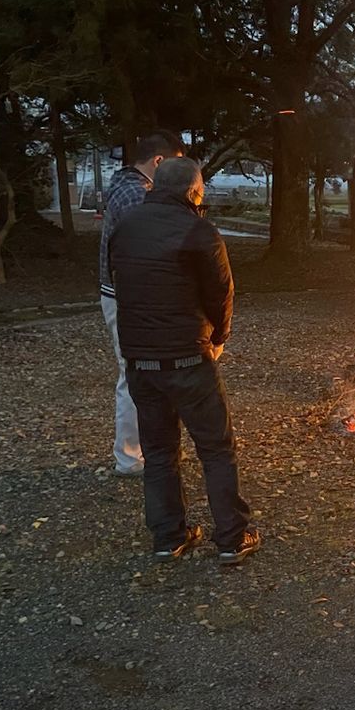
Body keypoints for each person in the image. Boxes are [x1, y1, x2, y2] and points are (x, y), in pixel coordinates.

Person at [108, 157, 261, 566]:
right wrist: (218, 337)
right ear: (195, 191)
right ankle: (231, 537)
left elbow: (120, 281)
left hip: (141, 360)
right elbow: (220, 294)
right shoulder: (199, 231)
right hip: (188, 359)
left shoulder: (124, 226)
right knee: (215, 448)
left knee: (159, 451)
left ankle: (168, 537)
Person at [99, 130, 184, 476]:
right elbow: (151, 252)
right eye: (175, 167)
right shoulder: (138, 196)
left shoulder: (125, 185)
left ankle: (140, 453)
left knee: (138, 375)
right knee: (136, 376)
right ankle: (131, 458)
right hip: (129, 299)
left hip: (122, 295)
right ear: (159, 162)